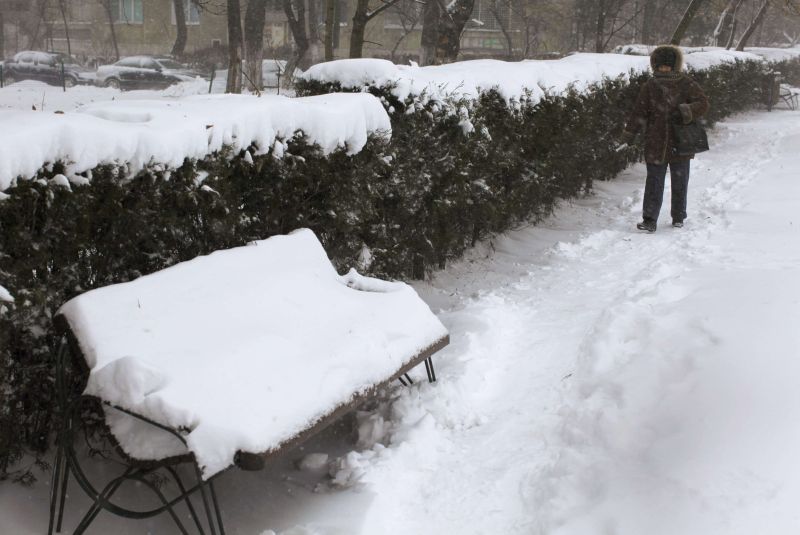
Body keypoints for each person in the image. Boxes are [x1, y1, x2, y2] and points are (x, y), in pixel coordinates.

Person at [621, 45, 709, 233]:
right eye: (660, 66)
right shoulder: (650, 86)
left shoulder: (686, 83)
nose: (663, 70)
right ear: (655, 66)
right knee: (654, 182)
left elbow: (703, 103)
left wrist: (686, 111)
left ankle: (678, 216)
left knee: (680, 181)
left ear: (674, 66)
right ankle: (649, 219)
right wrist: (629, 134)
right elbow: (639, 112)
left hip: (681, 141)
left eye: (667, 67)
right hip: (655, 141)